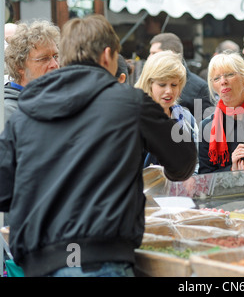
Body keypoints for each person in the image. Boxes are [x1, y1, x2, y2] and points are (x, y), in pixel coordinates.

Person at [0, 14, 197, 277]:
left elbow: (3, 191)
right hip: (99, 259)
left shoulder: (25, 111)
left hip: (40, 262)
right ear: (107, 55)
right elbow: (184, 159)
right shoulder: (132, 102)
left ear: (65, 57)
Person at [135, 50, 199, 172]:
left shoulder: (186, 118)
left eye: (174, 85)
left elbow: (196, 162)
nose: (169, 91)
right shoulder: (133, 118)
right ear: (149, 84)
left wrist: (190, 179)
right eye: (162, 84)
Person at [3, 20, 60, 124]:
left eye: (55, 56)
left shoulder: (53, 99)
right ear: (19, 66)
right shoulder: (8, 111)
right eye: (44, 59)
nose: (55, 64)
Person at [149, 32, 213, 122]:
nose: (149, 58)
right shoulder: (148, 81)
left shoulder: (199, 88)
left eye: (154, 53)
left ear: (171, 54)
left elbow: (203, 129)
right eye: (162, 85)